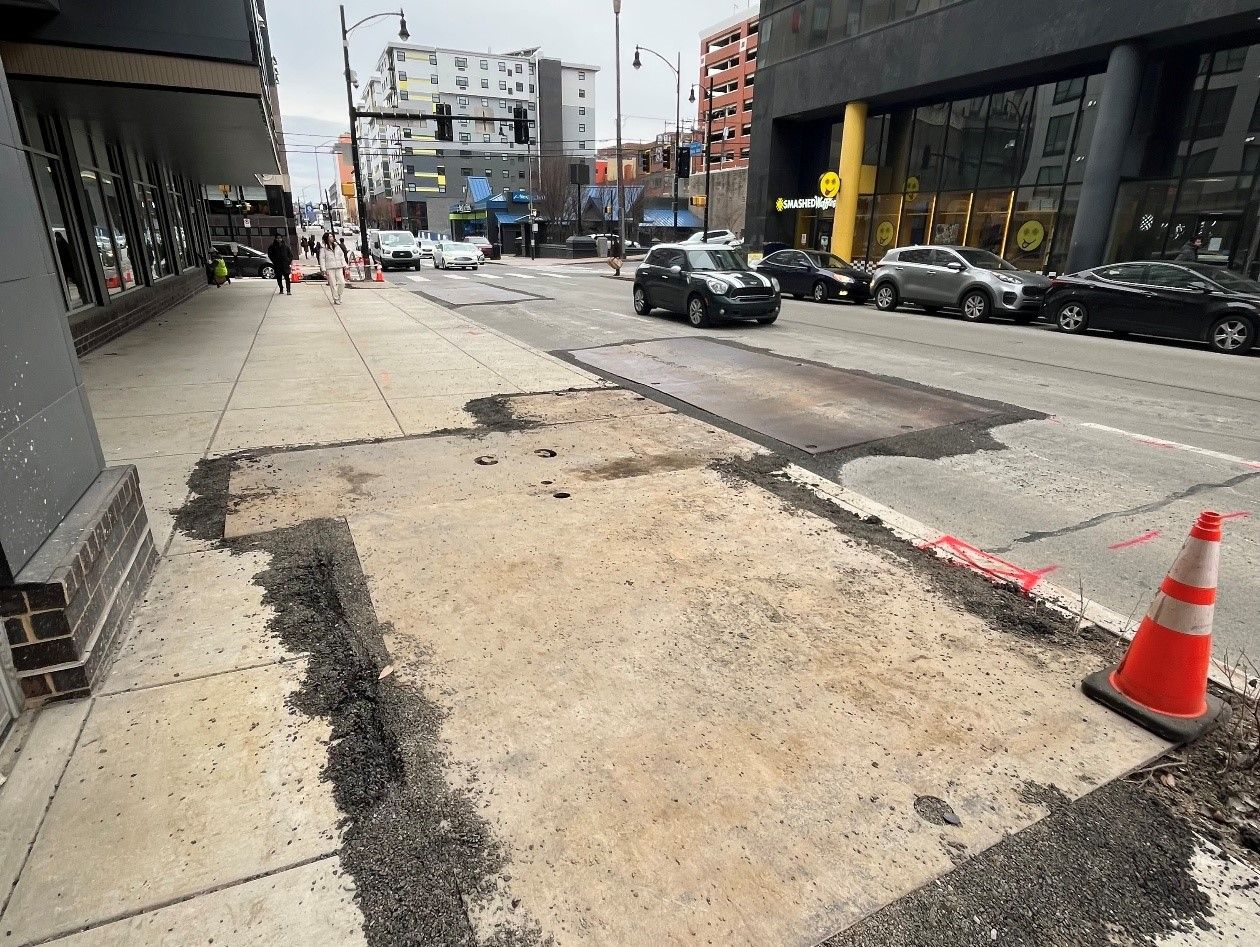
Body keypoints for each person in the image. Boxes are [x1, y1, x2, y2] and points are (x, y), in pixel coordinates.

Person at [319, 232, 349, 304]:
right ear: (327, 238)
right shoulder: (323, 248)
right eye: (330, 237)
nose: (332, 238)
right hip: (330, 268)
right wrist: (323, 269)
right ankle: (336, 299)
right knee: (333, 284)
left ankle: (339, 295)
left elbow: (341, 256)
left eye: (332, 236)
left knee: (342, 282)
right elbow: (322, 259)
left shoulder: (337, 246)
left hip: (338, 267)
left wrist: (345, 265)